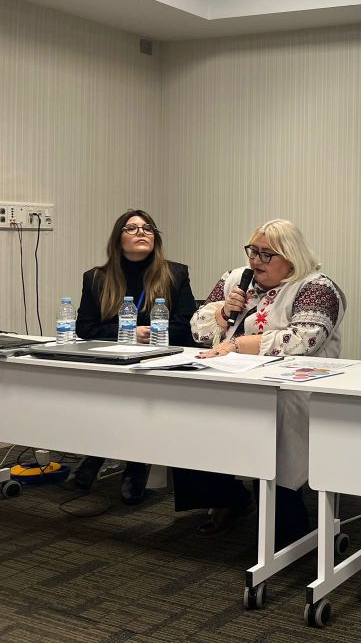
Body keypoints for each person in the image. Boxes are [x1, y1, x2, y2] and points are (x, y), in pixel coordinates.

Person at [176, 219, 345, 546]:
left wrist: (238, 344)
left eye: (267, 254)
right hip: (231, 379)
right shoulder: (235, 278)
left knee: (275, 428)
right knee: (188, 411)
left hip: (292, 387)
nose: (256, 261)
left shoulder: (316, 287)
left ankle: (288, 523)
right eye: (253, 251)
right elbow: (197, 329)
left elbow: (303, 341)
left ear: (291, 257)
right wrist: (223, 312)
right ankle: (229, 498)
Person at [73, 209, 196, 503]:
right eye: (132, 228)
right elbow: (84, 327)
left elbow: (186, 324)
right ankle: (99, 451)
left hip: (158, 362)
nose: (141, 232)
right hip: (111, 362)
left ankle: (135, 464)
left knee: (139, 396)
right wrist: (125, 333)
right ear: (118, 239)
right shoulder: (96, 278)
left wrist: (153, 334)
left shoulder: (175, 273)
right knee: (104, 395)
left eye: (147, 228)